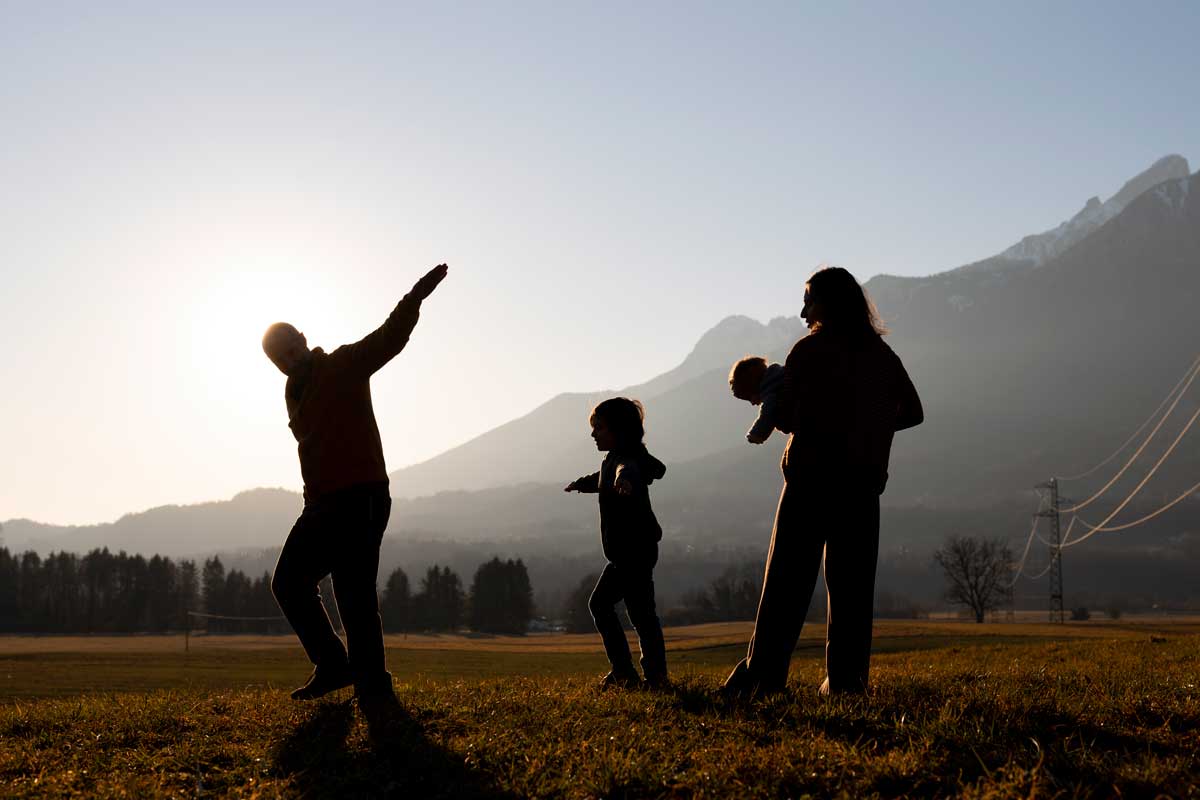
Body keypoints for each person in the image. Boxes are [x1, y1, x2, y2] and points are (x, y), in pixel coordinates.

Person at [724, 266, 923, 697]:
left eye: (808, 299)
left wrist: (770, 408)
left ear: (828, 304)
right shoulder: (881, 356)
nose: (801, 311)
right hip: (863, 486)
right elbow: (912, 412)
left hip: (811, 481)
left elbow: (794, 415)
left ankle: (762, 678)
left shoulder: (809, 351)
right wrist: (867, 429)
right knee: (851, 592)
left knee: (785, 586)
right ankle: (846, 685)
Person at [262, 263, 449, 703]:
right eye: (281, 358)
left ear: (304, 339)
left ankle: (371, 686)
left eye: (292, 348)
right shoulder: (294, 393)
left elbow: (389, 337)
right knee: (289, 583)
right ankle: (334, 665)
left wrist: (415, 298)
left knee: (353, 593)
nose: (290, 359)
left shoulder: (344, 364)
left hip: (361, 496)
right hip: (322, 504)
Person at [565, 397, 669, 688]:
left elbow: (625, 470)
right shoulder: (615, 458)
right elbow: (605, 476)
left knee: (600, 605)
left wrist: (625, 481)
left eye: (599, 427)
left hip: (631, 554)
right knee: (642, 614)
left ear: (618, 430)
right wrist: (583, 484)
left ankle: (626, 672)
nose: (593, 433)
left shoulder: (626, 460)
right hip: (636, 551)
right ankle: (655, 676)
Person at [729, 355, 787, 444]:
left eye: (749, 397)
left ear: (753, 385)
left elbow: (767, 415)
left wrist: (755, 435)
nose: (752, 403)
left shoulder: (771, 393)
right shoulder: (781, 376)